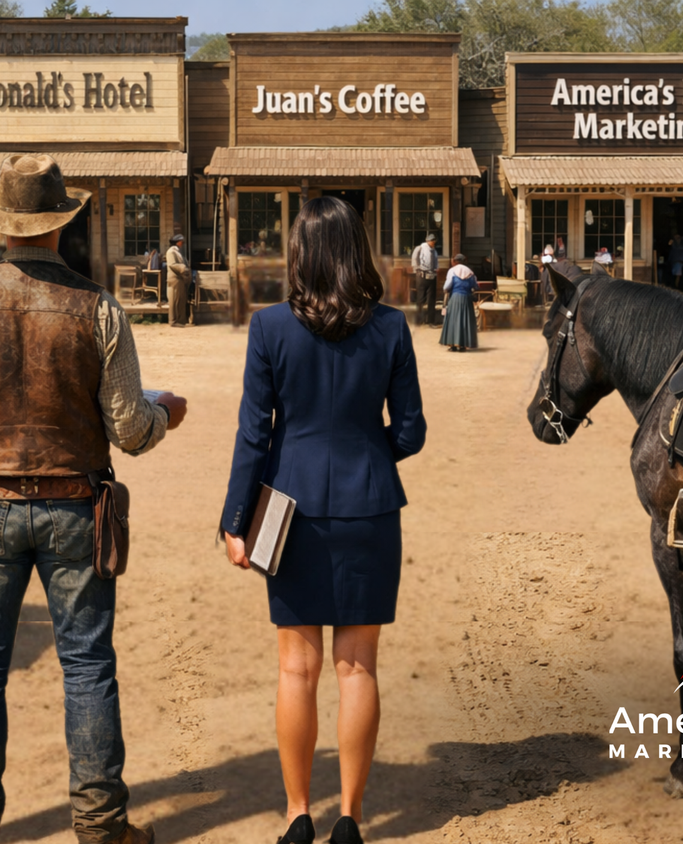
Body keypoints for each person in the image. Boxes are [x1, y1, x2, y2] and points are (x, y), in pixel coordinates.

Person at [0, 153, 185, 844]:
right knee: (88, 665)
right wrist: (166, 414)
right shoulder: (100, 309)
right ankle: (98, 824)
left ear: (2, 227)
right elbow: (128, 428)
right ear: (62, 225)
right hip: (74, 508)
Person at [220, 196, 426, 844]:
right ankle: (351, 819)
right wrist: (370, 454)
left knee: (295, 669)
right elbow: (413, 431)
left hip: (288, 509)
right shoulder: (391, 328)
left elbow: (253, 434)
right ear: (356, 251)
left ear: (300, 254)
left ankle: (297, 813)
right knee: (358, 667)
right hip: (370, 505)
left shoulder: (270, 328)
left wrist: (234, 519)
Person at [440, 253, 478, 352]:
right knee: (465, 320)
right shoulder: (470, 272)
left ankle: (452, 344)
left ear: (455, 261)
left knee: (454, 320)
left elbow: (446, 287)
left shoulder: (452, 271)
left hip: (455, 298)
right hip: (466, 299)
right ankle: (463, 345)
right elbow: (476, 286)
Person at [410, 232, 439, 326]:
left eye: (434, 241)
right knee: (420, 298)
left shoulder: (434, 251)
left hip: (432, 275)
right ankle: (418, 320)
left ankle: (430, 320)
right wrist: (417, 269)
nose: (432, 243)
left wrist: (435, 270)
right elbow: (414, 260)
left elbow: (436, 262)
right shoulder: (420, 248)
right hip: (422, 275)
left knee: (431, 299)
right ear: (427, 241)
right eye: (431, 241)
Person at [165, 233, 192, 328]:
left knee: (181, 300)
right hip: (174, 279)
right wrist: (183, 268)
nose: (182, 243)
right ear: (178, 242)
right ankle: (173, 321)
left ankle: (181, 321)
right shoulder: (171, 252)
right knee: (174, 300)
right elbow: (172, 264)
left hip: (180, 279)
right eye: (181, 242)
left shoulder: (177, 251)